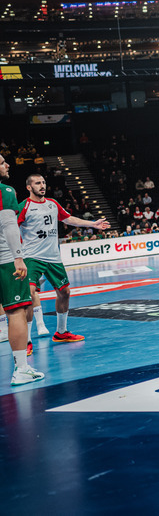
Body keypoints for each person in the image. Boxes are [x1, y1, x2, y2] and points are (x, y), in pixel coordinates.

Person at [18, 174, 110, 344]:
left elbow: (69, 219)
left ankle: (61, 332)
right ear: (29, 187)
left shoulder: (52, 204)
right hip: (32, 257)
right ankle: (26, 341)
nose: (42, 186)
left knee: (65, 292)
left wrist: (92, 224)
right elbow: (11, 228)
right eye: (37, 183)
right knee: (29, 294)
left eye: (43, 182)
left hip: (53, 257)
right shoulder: (24, 206)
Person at [0, 156, 44, 385]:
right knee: (16, 311)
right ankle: (21, 369)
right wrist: (18, 258)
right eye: (1, 162)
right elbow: (9, 226)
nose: (7, 165)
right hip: (5, 260)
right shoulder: (5, 191)